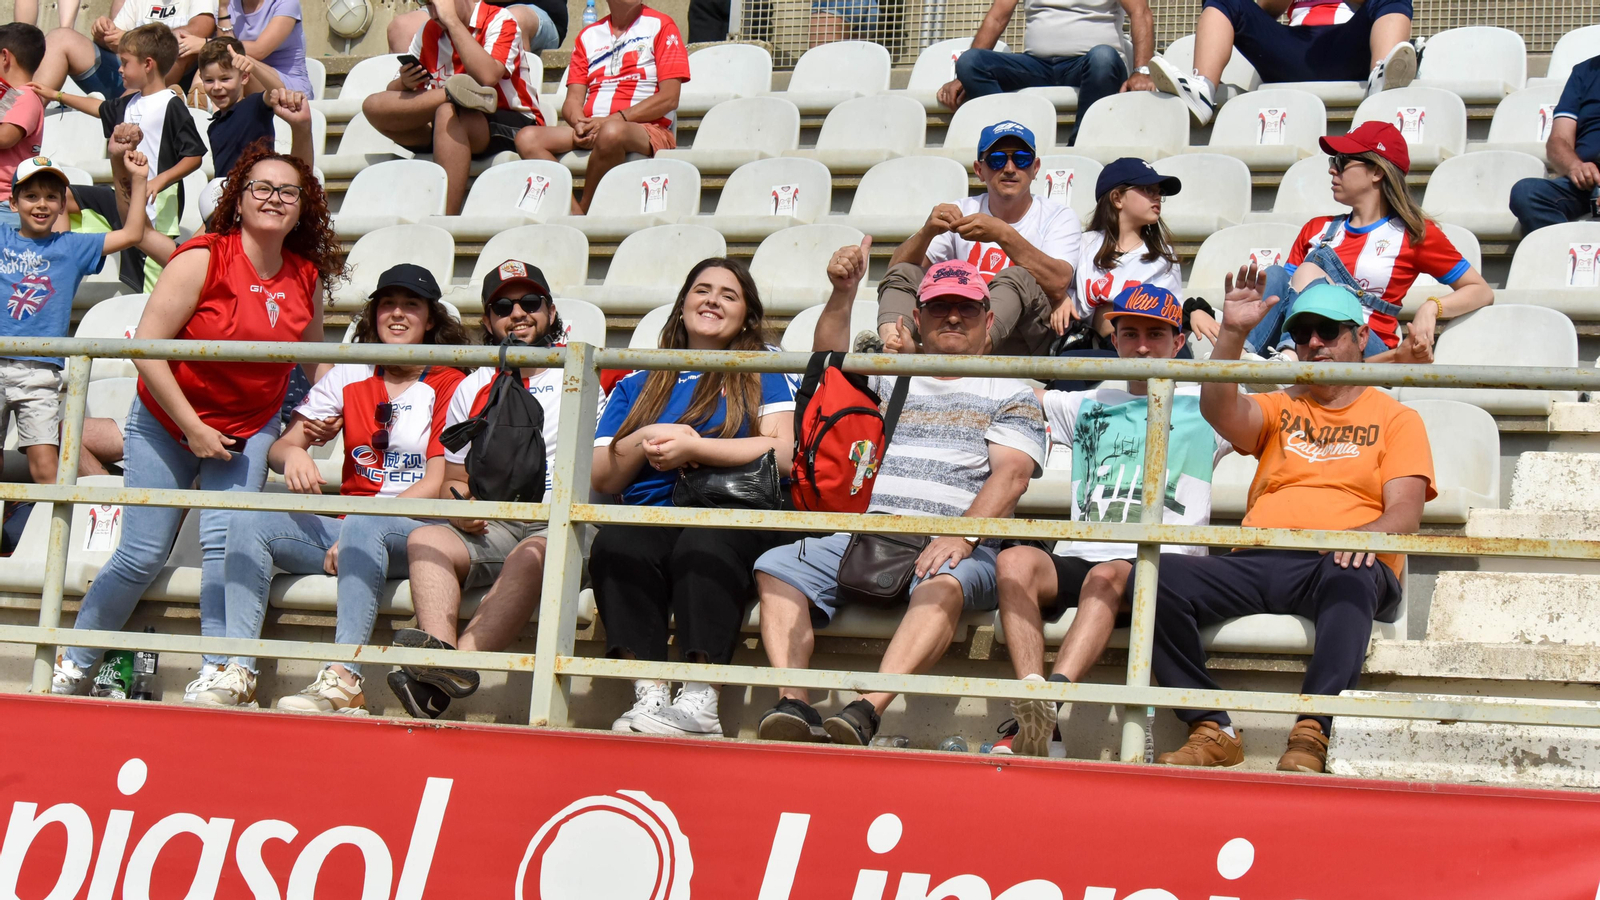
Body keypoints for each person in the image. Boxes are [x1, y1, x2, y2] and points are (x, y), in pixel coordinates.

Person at [52, 144, 335, 698]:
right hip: (168, 423)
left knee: (225, 548)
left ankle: (217, 669)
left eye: (287, 192)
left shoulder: (306, 276)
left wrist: (342, 404)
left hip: (248, 427)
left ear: (304, 208)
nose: (274, 199)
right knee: (141, 553)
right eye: (261, 187)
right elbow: (147, 350)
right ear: (238, 199)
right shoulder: (202, 257)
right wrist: (194, 428)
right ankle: (74, 659)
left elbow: (317, 356)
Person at [755, 251, 1046, 746]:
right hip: (872, 531)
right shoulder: (893, 373)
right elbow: (826, 366)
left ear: (989, 319)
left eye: (967, 307)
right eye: (938, 307)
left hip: (955, 540)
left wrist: (961, 534)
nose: (953, 316)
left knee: (945, 584)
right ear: (917, 317)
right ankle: (795, 704)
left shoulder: (1011, 386)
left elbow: (1013, 475)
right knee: (776, 565)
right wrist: (844, 293)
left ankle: (867, 710)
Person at [1151, 273, 1434, 772]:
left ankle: (1313, 729)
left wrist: (1357, 539)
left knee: (1353, 571)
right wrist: (1233, 333)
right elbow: (1219, 409)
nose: (1314, 343)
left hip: (1342, 561)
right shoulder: (1283, 404)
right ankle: (1211, 725)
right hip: (1261, 556)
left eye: (1329, 331)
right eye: (1303, 334)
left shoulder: (1396, 418)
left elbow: (1405, 512)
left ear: (1361, 336)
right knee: (1153, 576)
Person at [192, 265, 468, 712]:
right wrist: (294, 455)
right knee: (245, 517)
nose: (397, 315)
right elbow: (282, 446)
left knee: (361, 524)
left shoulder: (449, 381)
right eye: (387, 305)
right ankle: (238, 671)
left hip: (415, 532)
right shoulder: (350, 372)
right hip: (345, 531)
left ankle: (345, 679)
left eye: (411, 305)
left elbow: (437, 483)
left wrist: (366, 522)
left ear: (430, 318)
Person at [991, 284, 1232, 756]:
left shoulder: (1206, 406)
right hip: (1083, 552)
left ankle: (1050, 704)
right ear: (1114, 338)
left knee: (1107, 574)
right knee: (1015, 559)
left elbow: (1289, 396)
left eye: (1156, 335)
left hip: (1161, 563)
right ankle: (1038, 710)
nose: (1142, 346)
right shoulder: (1087, 400)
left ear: (1178, 341)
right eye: (1131, 333)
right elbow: (1019, 389)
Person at [591, 258, 797, 738]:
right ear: (682, 305)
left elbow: (781, 452)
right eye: (702, 290)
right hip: (653, 514)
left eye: (728, 294)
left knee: (701, 546)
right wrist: (649, 435)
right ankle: (650, 691)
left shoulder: (760, 367)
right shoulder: (639, 380)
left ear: (746, 316)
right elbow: (603, 476)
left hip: (730, 512)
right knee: (616, 544)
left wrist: (695, 446)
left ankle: (702, 699)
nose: (712, 300)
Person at [387, 260, 564, 720]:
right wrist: (461, 507)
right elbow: (453, 480)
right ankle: (444, 660)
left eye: (530, 302)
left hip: (559, 521)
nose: (518, 313)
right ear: (488, 321)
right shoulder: (473, 385)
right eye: (503, 306)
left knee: (532, 554)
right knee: (426, 537)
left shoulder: (577, 375)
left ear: (549, 310)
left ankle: (447, 667)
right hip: (494, 520)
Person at [1245, 122, 1493, 365]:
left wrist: (1432, 307)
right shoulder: (1315, 228)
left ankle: (1288, 360)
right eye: (1333, 162)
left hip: (1367, 349)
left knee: (1309, 271)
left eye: (1342, 162)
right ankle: (1242, 363)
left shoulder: (1414, 233)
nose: (1332, 170)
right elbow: (1287, 297)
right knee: (1275, 275)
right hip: (1311, 342)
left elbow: (1481, 291)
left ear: (1377, 172)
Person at [0, 155, 147, 485]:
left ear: (63, 204)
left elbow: (133, 233)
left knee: (46, 468)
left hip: (38, 371)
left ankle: (52, 535)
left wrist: (138, 181)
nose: (42, 204)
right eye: (31, 196)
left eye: (51, 197)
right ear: (12, 202)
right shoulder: (2, 238)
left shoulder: (72, 247)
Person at [881, 121, 1078, 357]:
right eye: (996, 159)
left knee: (1015, 278)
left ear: (1035, 168)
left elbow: (1058, 283)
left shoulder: (1058, 216)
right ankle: (895, 348)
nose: (1009, 168)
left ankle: (951, 358)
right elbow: (896, 273)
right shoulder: (962, 209)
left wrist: (1002, 233)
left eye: (1021, 159)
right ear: (979, 170)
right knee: (906, 271)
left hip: (1025, 337)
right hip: (962, 325)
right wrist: (927, 232)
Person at [363, 0, 543, 216]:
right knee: (372, 105)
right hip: (448, 124)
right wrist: (405, 82)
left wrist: (453, 22)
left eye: (434, 3)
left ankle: (444, 217)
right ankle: (453, 93)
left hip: (513, 122)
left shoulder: (500, 20)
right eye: (426, 4)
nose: (432, 11)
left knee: (446, 112)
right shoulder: (428, 30)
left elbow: (487, 77)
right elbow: (390, 97)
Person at [33, 24, 207, 242]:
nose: (120, 69)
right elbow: (99, 108)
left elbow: (194, 156)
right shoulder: (129, 102)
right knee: (60, 196)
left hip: (156, 205)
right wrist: (57, 95)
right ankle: (62, 260)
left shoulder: (171, 104)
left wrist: (159, 181)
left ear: (148, 64)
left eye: (125, 62)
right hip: (124, 197)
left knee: (149, 270)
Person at [514, 0, 688, 214]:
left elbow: (670, 98)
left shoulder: (662, 25)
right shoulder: (589, 36)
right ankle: (575, 211)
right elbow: (572, 101)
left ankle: (585, 209)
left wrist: (613, 120)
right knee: (527, 138)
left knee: (611, 132)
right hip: (596, 126)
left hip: (646, 128)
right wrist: (579, 123)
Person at [1149, 0, 1416, 126]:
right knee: (1225, 0)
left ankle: (1381, 78)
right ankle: (1203, 88)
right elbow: (1266, 8)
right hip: (1293, 50)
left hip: (1346, 44)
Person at [937, 0, 1155, 143]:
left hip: (1091, 65)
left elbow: (1140, 12)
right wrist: (962, 78)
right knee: (970, 62)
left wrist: (1142, 71)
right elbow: (997, 17)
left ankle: (1079, 146)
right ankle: (1015, 140)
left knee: (1103, 57)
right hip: (1036, 65)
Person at [31, 0, 215, 98]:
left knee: (180, 46)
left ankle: (125, 114)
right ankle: (26, 113)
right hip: (125, 76)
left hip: (168, 83)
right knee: (61, 37)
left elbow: (200, 29)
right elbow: (117, 40)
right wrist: (103, 33)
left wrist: (129, 39)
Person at [198, 38, 314, 180]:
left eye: (225, 79)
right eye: (209, 80)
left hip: (260, 192)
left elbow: (277, 90)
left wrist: (253, 66)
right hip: (229, 197)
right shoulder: (214, 126)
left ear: (244, 77)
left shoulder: (254, 106)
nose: (216, 87)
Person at [1510, 53, 1600, 234]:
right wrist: (1575, 166)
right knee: (1526, 193)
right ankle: (1560, 254)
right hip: (1586, 181)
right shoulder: (1584, 72)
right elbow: (1558, 140)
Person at [390, 0, 564, 54]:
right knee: (402, 27)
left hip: (533, 10)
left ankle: (513, 114)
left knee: (513, 20)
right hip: (466, 4)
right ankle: (419, 120)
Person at [0, 24, 45, 231]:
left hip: (6, 203)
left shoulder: (25, 96)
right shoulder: (11, 96)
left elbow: (5, 137)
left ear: (5, 57)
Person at [227, 0, 313, 96]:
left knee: (241, 63)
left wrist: (210, 42)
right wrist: (223, 10)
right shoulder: (228, 4)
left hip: (291, 89)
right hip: (247, 81)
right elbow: (220, 50)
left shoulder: (286, 3)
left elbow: (259, 51)